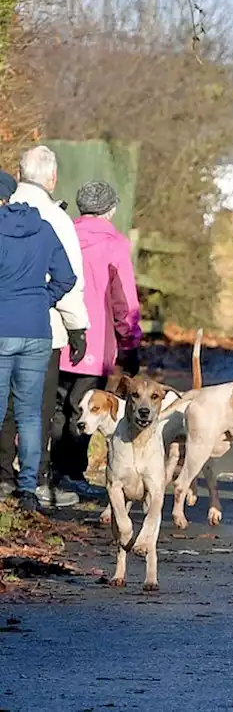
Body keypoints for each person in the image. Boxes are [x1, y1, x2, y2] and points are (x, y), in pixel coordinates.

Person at [6, 146, 87, 508]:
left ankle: (4, 479)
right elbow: (70, 279)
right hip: (42, 328)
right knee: (34, 409)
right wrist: (76, 326)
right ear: (52, 178)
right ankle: (33, 483)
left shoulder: (4, 212)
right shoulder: (53, 220)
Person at [52, 182, 141, 498]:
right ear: (110, 209)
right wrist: (130, 341)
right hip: (96, 339)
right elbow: (123, 299)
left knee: (58, 406)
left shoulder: (62, 233)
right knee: (84, 408)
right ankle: (72, 474)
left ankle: (53, 471)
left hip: (59, 333)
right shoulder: (115, 243)